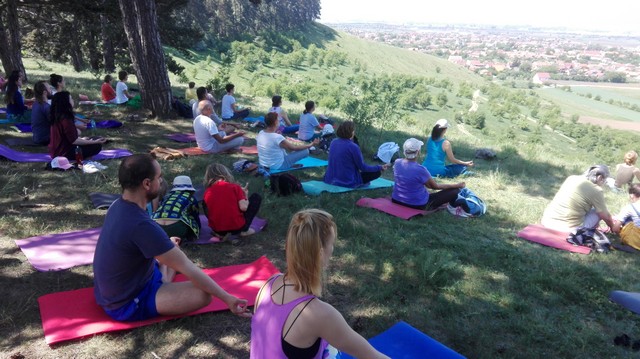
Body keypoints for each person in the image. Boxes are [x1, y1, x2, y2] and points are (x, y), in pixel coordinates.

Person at [93, 154, 251, 321]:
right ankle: (164, 280)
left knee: (171, 250)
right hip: (125, 303)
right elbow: (188, 267)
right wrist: (228, 298)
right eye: (159, 177)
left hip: (118, 288)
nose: (161, 181)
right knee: (204, 295)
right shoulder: (141, 225)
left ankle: (164, 275)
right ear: (147, 183)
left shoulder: (117, 205)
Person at [250, 209, 389, 359]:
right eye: (332, 244)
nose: (333, 249)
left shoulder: (269, 284)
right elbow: (372, 356)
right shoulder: (319, 314)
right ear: (320, 254)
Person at [392, 138, 465, 210]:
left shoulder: (397, 162)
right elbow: (434, 186)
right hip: (417, 205)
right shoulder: (421, 169)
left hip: (396, 199)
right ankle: (453, 206)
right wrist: (457, 185)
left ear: (404, 151)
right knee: (455, 191)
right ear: (418, 152)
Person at [541, 165, 617, 233]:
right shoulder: (596, 190)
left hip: (546, 221)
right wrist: (612, 227)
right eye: (604, 181)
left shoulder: (571, 178)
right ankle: (587, 232)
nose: (604, 184)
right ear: (600, 177)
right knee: (596, 213)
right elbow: (605, 216)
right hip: (565, 229)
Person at [203, 163, 262, 239]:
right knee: (256, 197)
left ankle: (219, 233)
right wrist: (245, 195)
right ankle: (244, 231)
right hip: (237, 228)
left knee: (205, 204)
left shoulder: (207, 192)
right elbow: (244, 207)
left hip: (218, 229)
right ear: (225, 174)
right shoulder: (234, 187)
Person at [323, 121, 387, 188]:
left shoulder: (333, 142)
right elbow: (362, 167)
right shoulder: (353, 147)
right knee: (377, 172)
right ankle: (360, 183)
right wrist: (379, 167)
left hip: (329, 179)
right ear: (351, 132)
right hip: (347, 181)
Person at [48, 91, 106, 160]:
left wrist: (84, 139)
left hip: (59, 150)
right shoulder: (65, 119)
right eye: (71, 99)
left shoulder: (58, 116)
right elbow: (74, 141)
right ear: (66, 102)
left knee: (96, 138)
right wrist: (94, 142)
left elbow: (68, 138)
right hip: (64, 153)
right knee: (97, 146)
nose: (73, 100)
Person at [152, 175, 201, 243]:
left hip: (157, 228)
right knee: (190, 217)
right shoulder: (191, 198)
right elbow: (195, 215)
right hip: (176, 228)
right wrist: (198, 229)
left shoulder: (167, 196)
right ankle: (184, 236)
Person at [31, 81, 51, 145]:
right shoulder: (46, 107)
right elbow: (54, 123)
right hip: (44, 139)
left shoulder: (35, 104)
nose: (51, 90)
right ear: (45, 92)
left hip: (36, 137)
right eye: (49, 88)